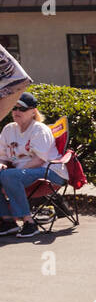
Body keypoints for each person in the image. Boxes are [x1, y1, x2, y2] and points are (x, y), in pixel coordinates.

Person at [0, 92, 64, 238]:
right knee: (7, 175)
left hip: (49, 171)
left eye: (21, 109)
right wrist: (1, 165)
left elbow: (39, 160)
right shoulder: (9, 129)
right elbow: (2, 156)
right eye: (14, 108)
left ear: (33, 111)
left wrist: (9, 176)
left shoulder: (39, 130)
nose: (16, 112)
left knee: (9, 176)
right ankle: (8, 221)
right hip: (20, 174)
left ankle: (29, 223)